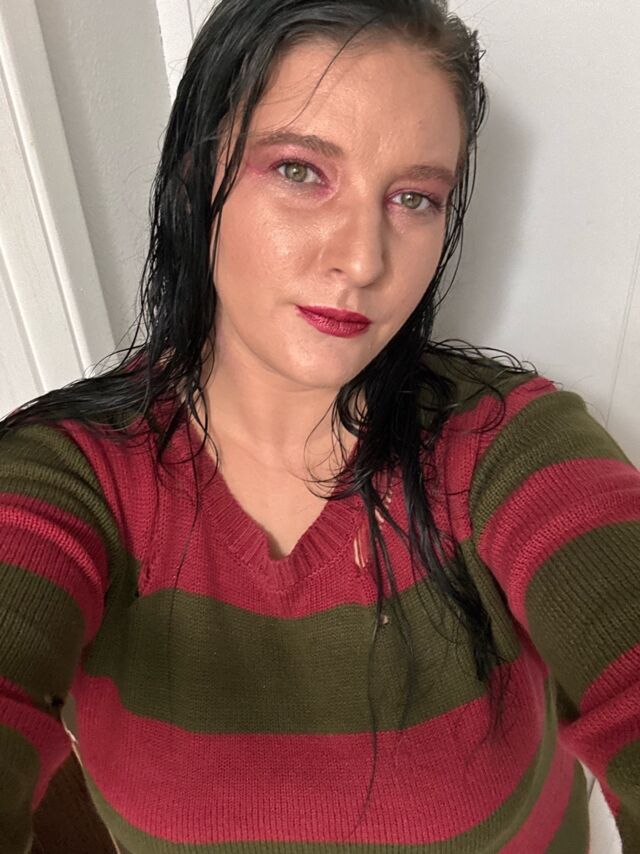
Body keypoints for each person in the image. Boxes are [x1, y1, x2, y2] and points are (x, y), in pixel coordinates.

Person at [0, 0, 638, 851]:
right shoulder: (73, 476)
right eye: (301, 171)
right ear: (195, 179)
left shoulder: (508, 446)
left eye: (413, 197)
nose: (365, 259)